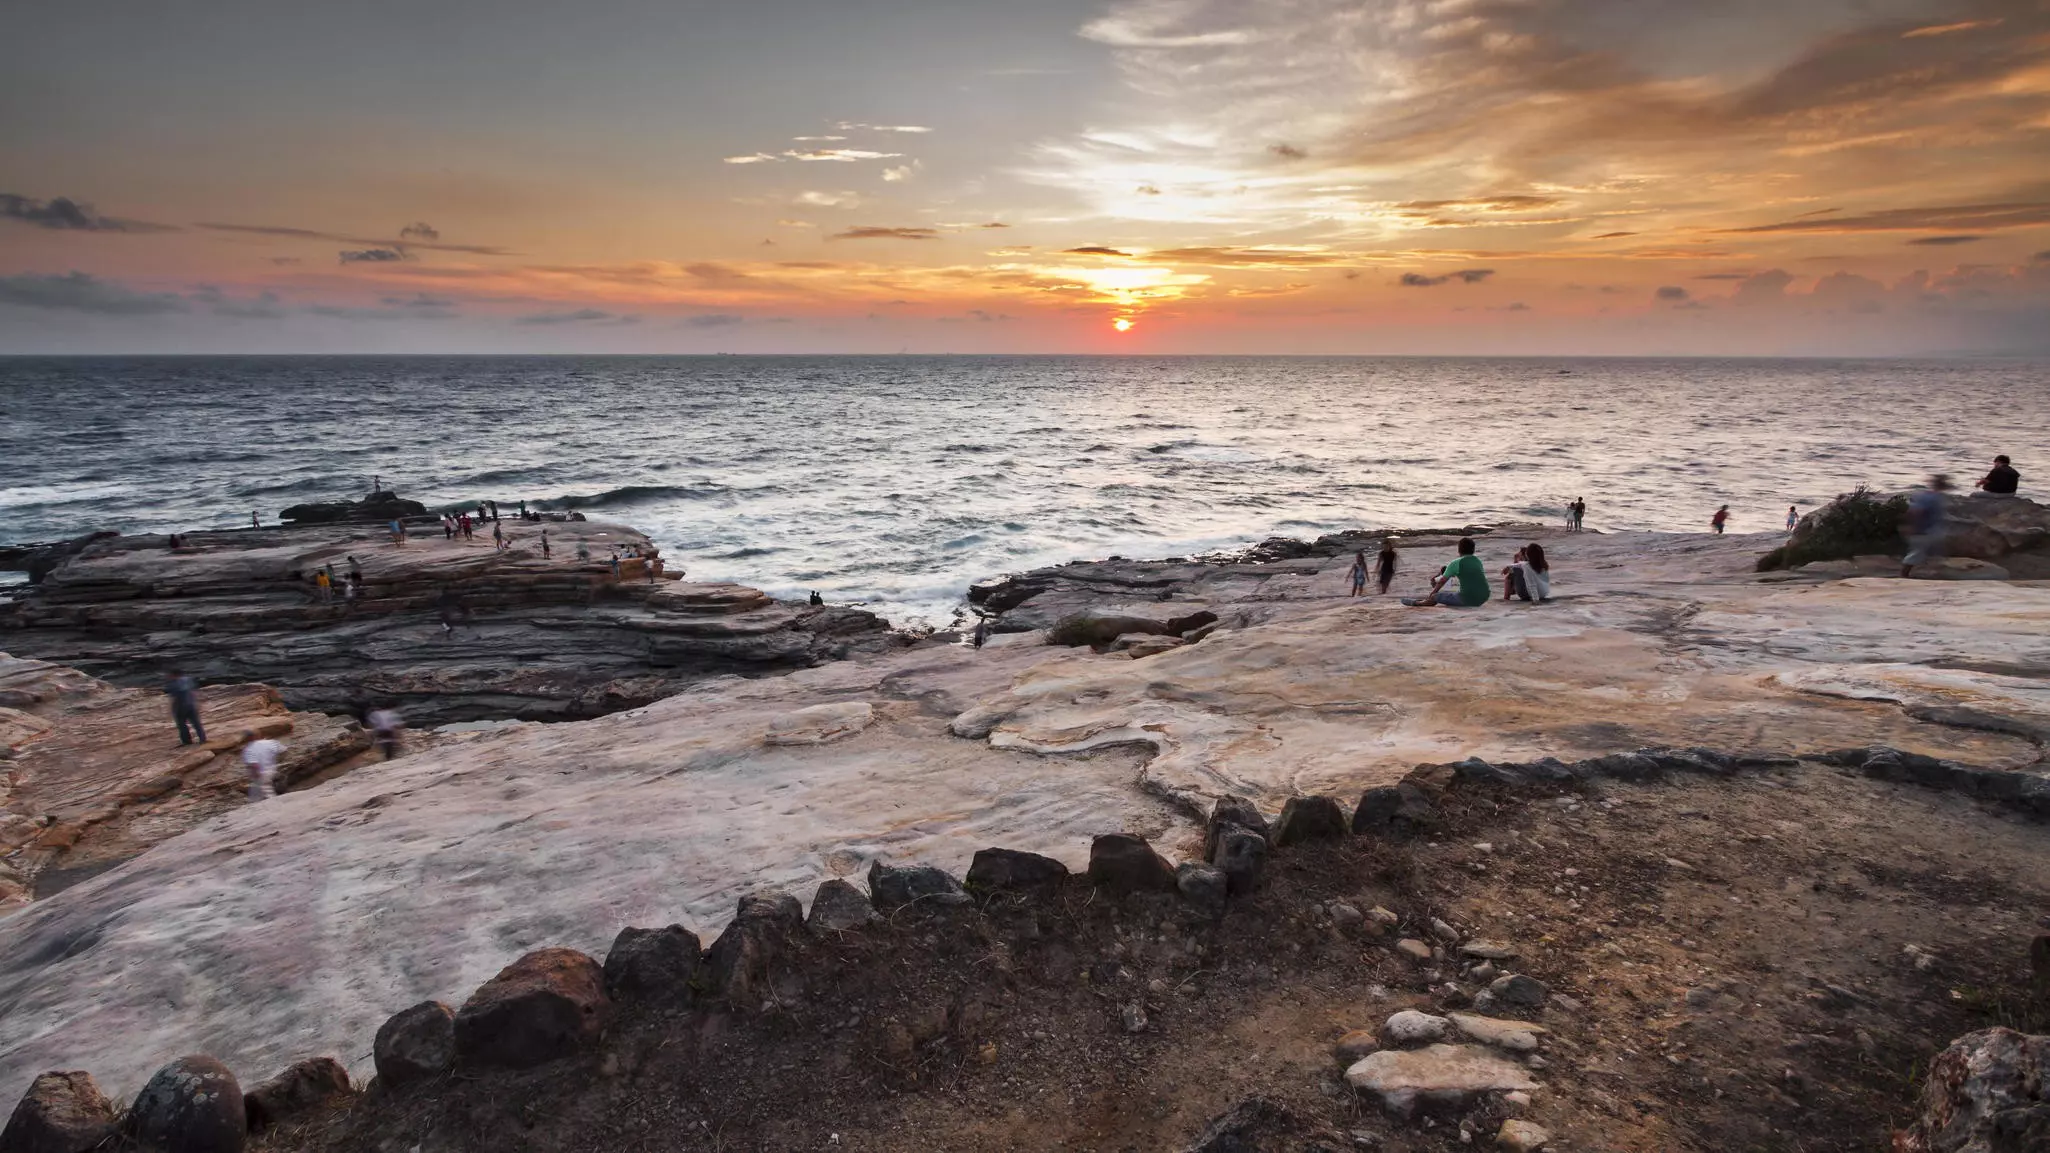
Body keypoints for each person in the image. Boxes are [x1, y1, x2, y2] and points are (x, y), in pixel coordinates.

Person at [1404, 537, 1490, 607]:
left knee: (1436, 596)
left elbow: (1442, 581)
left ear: (1459, 549)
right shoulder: (1478, 561)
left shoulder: (1456, 562)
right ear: (1473, 550)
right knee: (1453, 593)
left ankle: (1419, 603)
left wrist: (1432, 593)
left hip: (1467, 599)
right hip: (1483, 597)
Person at [1902, 474, 1951, 578]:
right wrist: (1913, 526)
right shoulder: (1932, 497)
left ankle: (1927, 572)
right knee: (1917, 553)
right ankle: (1904, 574)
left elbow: (1913, 510)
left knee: (1923, 552)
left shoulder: (1925, 495)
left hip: (1928, 530)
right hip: (1925, 530)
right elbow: (1916, 511)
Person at [164, 670, 206, 744]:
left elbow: (174, 697)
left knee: (182, 724)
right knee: (196, 723)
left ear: (173, 675)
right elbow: (194, 692)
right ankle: (203, 739)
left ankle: (187, 741)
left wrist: (170, 709)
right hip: (191, 705)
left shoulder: (173, 683)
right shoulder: (188, 680)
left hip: (180, 706)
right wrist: (197, 703)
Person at [241, 730, 284, 800]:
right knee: (263, 790)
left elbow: (254, 765)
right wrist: (278, 761)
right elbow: (283, 750)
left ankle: (274, 804)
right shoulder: (270, 742)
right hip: (272, 769)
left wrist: (257, 775)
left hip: (261, 773)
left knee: (266, 792)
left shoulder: (249, 749)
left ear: (247, 738)